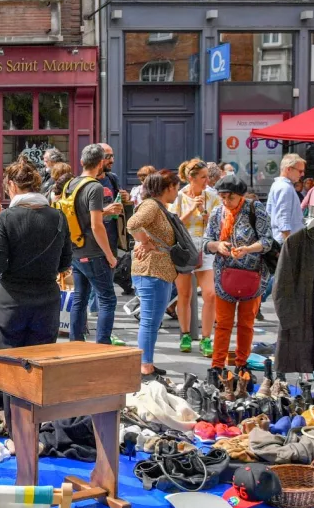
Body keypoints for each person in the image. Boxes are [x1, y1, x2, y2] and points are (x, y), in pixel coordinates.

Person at [0, 158, 71, 349]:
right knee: (40, 360)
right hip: (46, 300)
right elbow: (65, 263)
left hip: (11, 299)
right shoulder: (58, 217)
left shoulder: (6, 217)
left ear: (11, 185)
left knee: (10, 361)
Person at [203, 174, 274, 383]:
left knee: (246, 323)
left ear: (240, 196)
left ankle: (242, 364)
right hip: (224, 275)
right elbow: (206, 242)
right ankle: (217, 367)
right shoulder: (217, 212)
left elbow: (267, 241)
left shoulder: (255, 209)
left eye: (230, 198)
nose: (226, 202)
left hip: (252, 275)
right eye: (222, 197)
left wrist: (248, 249)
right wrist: (217, 245)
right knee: (223, 323)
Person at [127, 170, 181, 378]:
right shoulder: (151, 206)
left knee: (153, 321)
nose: (177, 192)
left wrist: (146, 241)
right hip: (151, 270)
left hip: (159, 271)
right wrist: (145, 241)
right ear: (168, 188)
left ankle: (147, 362)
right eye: (176, 188)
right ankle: (145, 365)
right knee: (149, 321)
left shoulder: (157, 206)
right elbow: (132, 224)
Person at [67, 143, 117, 345]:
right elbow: (97, 225)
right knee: (107, 299)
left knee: (80, 298)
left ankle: (76, 342)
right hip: (94, 252)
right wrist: (110, 255)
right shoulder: (95, 187)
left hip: (76, 249)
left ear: (81, 162)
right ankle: (103, 345)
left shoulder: (71, 184)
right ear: (100, 163)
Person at [170, 158, 221, 357]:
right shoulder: (179, 197)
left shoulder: (212, 196)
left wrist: (207, 216)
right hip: (184, 248)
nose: (207, 181)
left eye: (208, 177)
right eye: (203, 177)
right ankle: (185, 334)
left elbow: (219, 223)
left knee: (210, 294)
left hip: (205, 247)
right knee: (184, 294)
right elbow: (173, 225)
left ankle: (206, 338)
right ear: (191, 178)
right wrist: (192, 210)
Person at [267, 153, 307, 244]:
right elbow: (283, 217)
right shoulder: (285, 188)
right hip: (288, 241)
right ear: (288, 169)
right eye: (300, 171)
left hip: (282, 239)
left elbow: (269, 212)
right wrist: (288, 244)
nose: (302, 174)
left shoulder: (278, 185)